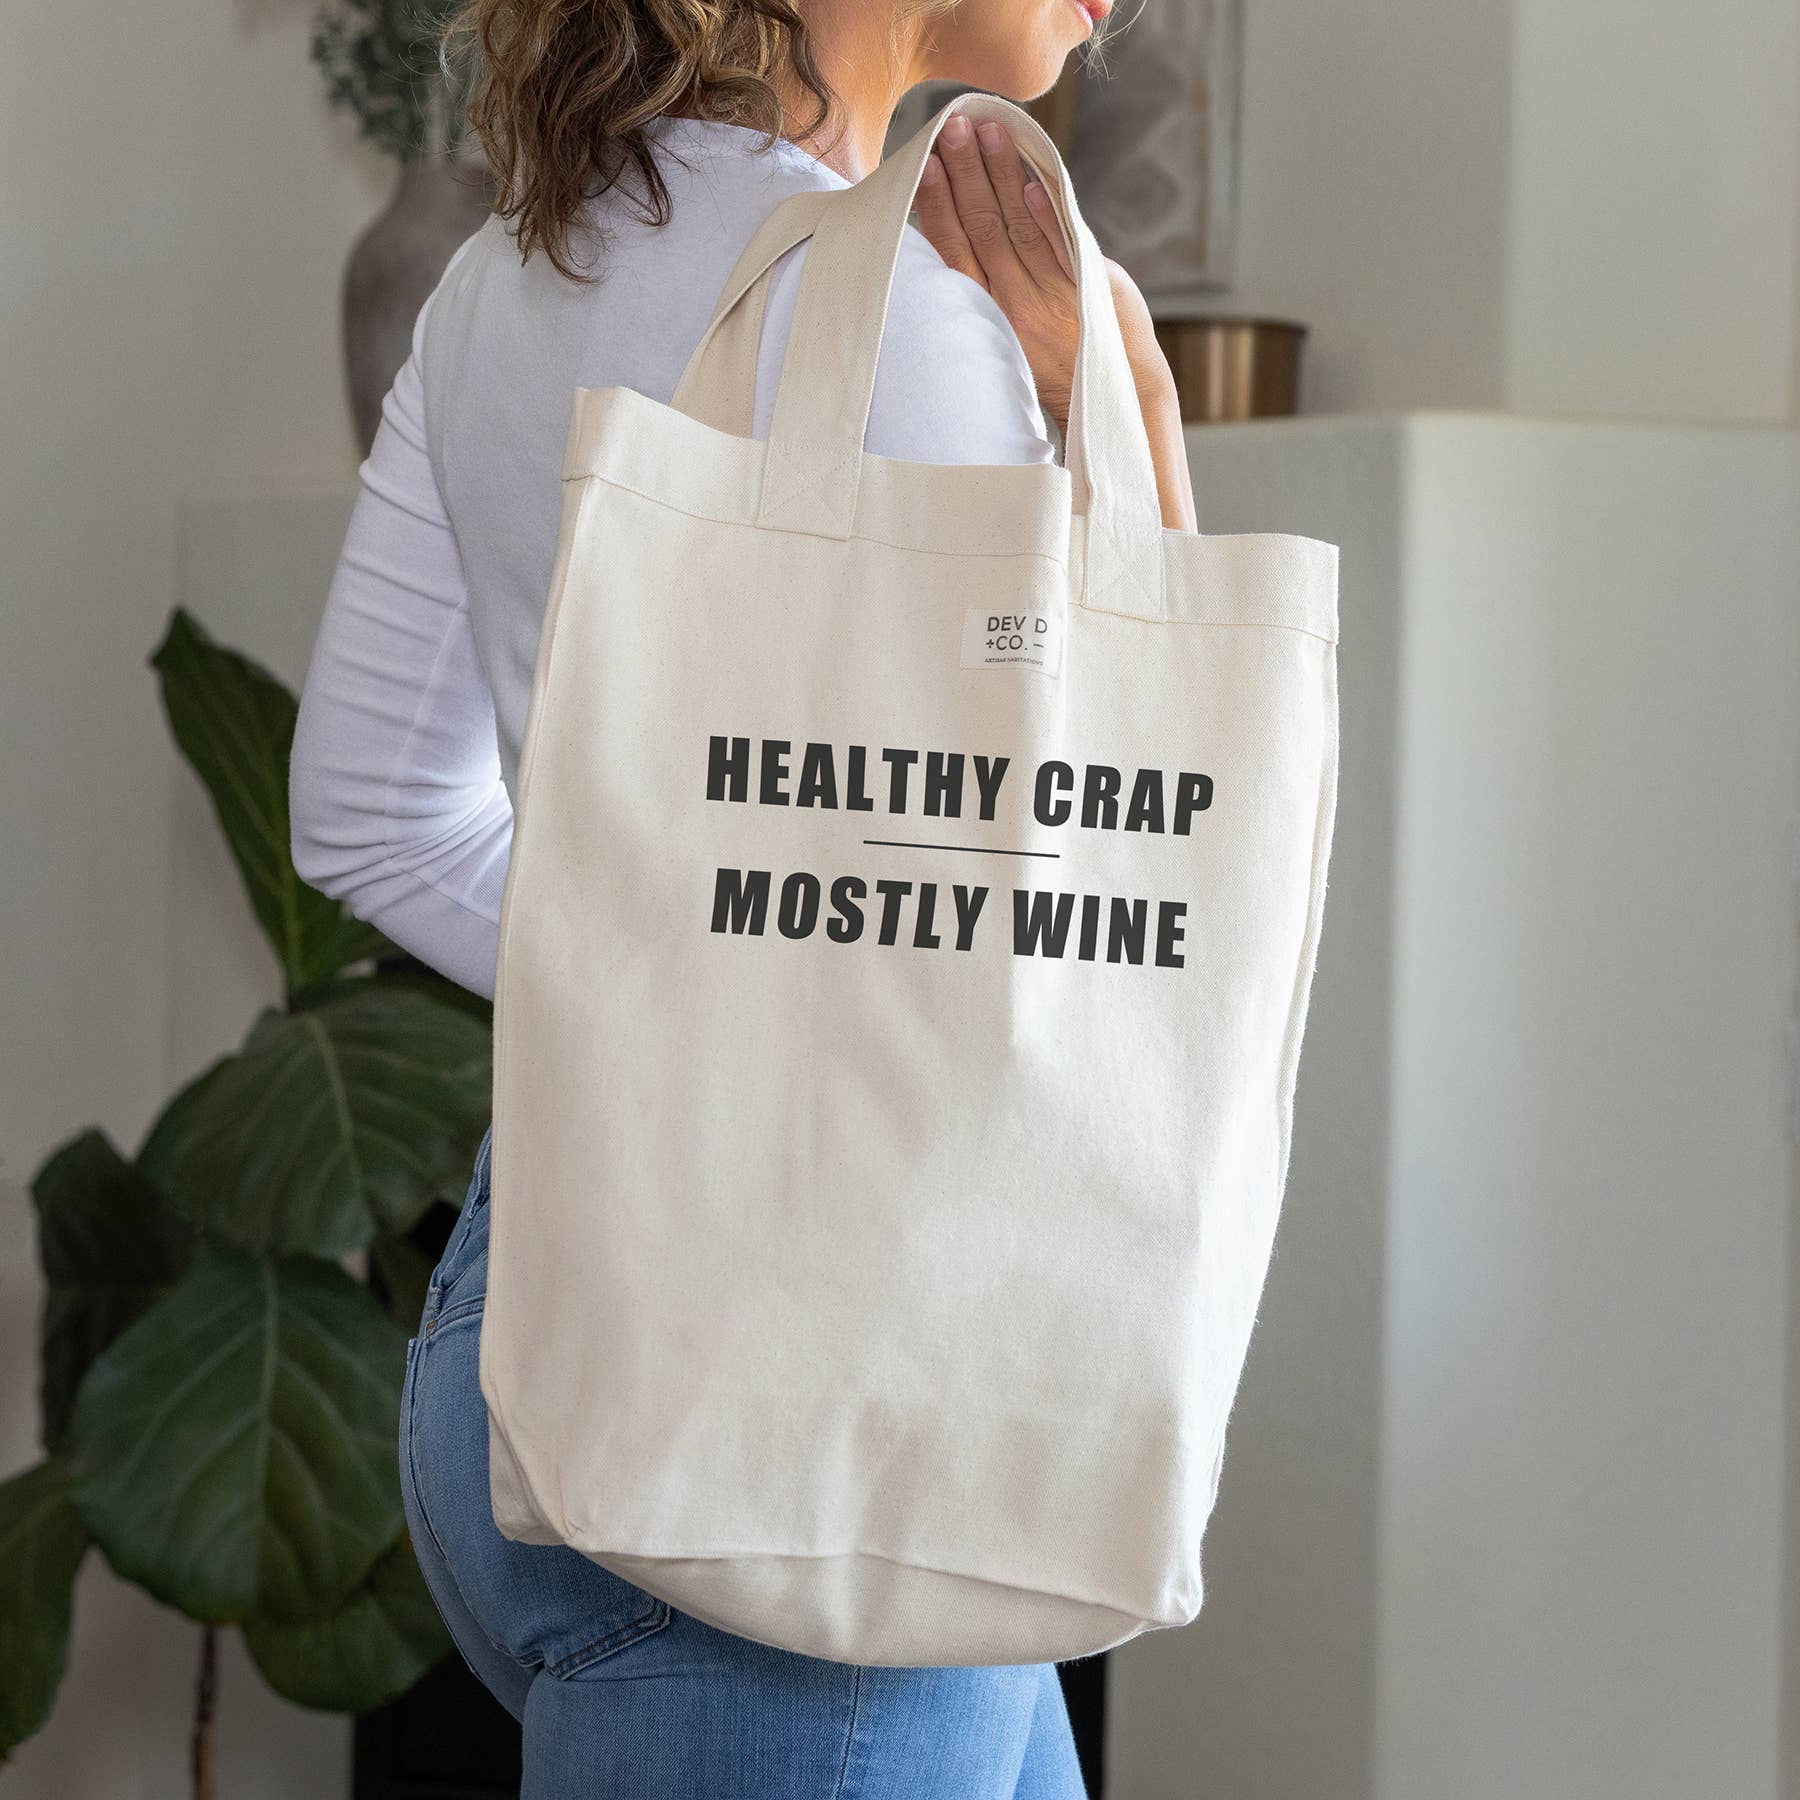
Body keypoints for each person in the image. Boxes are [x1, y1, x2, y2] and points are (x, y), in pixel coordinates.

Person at [288, 0, 1197, 1788]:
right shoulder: (916, 324)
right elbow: (1104, 893)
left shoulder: (496, 286)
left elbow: (370, 820)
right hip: (828, 1394)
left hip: (532, 1333)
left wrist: (665, 995)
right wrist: (1126, 415)